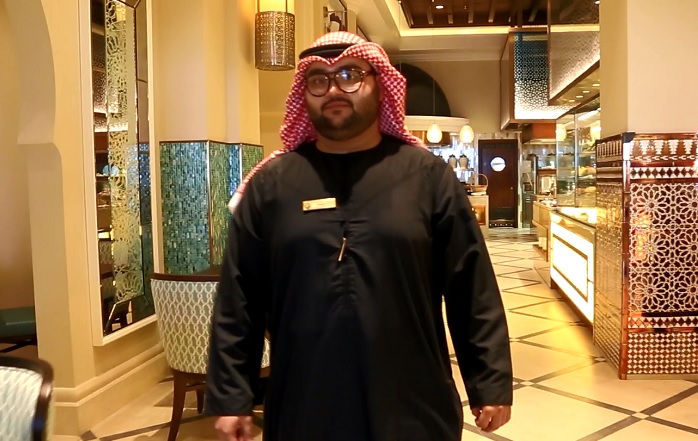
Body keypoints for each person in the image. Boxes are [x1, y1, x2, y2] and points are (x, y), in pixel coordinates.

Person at [205, 31, 513, 441]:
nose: (334, 89)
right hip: (305, 403)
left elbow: (471, 286)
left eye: (350, 75)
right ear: (304, 92)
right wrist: (231, 393)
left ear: (379, 85)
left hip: (411, 401)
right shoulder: (271, 185)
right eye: (318, 79)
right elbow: (239, 295)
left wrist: (489, 381)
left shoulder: (427, 177)